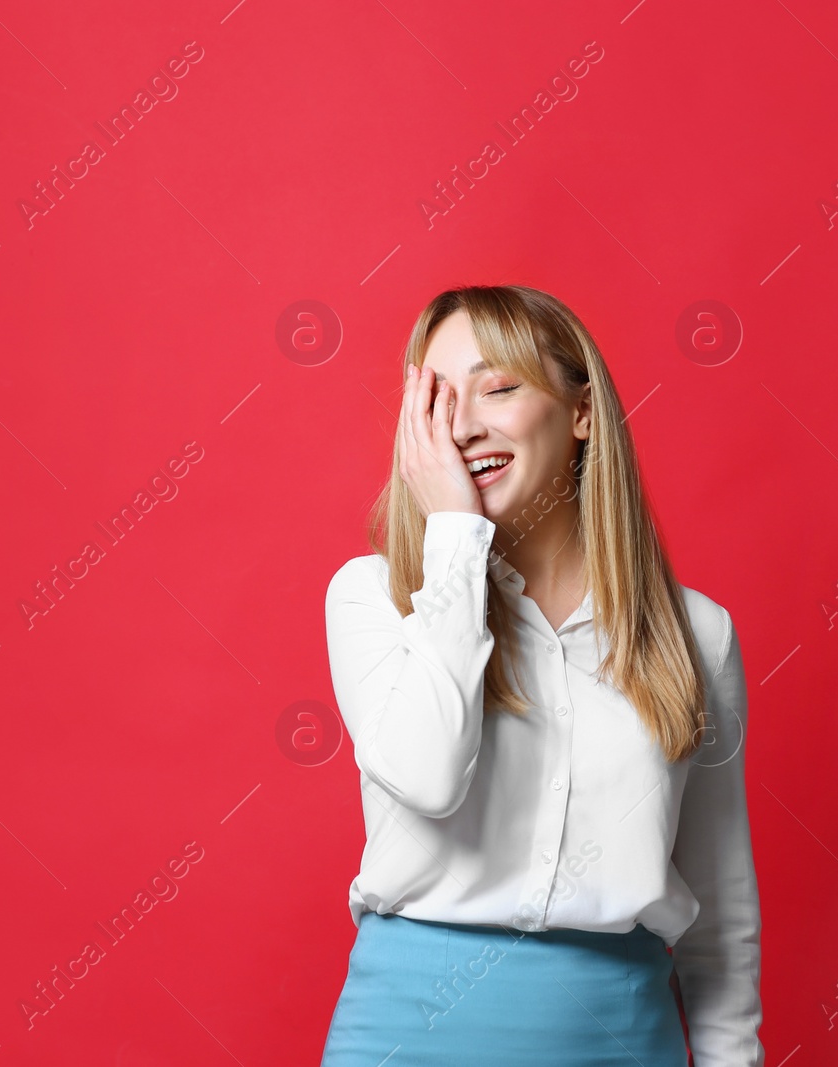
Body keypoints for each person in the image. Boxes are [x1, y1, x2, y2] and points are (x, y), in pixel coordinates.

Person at [320, 284, 764, 1066]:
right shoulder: (374, 597)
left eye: (498, 388)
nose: (460, 425)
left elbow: (719, 924)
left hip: (622, 1039)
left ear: (582, 413)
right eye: (436, 401)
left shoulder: (698, 634)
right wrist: (456, 537)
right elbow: (428, 779)